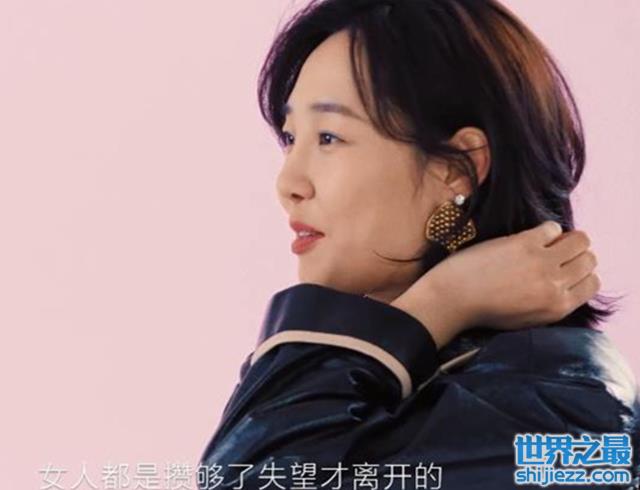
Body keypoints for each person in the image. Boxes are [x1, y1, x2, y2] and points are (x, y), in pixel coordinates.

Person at [197, 0, 640, 488]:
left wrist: (443, 301)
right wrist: (438, 306)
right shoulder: (393, 375)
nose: (289, 183)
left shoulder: (567, 410)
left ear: (455, 169)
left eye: (328, 137)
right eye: (290, 138)